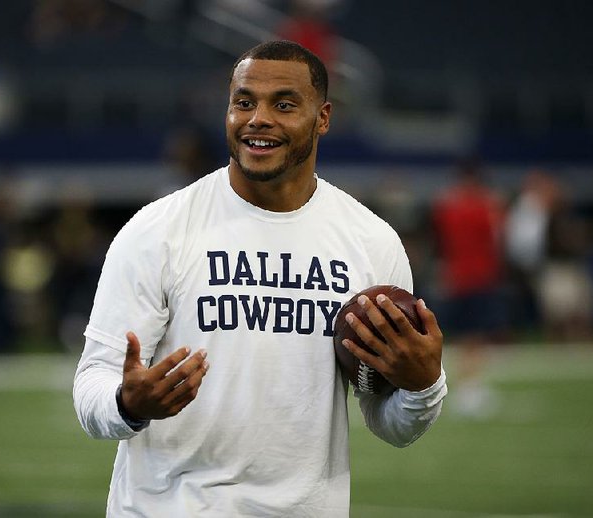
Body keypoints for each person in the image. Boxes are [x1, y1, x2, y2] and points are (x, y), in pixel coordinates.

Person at [73, 40, 447, 517]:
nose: (258, 119)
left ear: (324, 118)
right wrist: (128, 403)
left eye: (284, 105)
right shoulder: (157, 229)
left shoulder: (371, 242)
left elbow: (390, 424)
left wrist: (423, 386)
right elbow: (92, 385)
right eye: (243, 102)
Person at [432, 158, 504, 416]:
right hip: (479, 275)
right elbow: (496, 239)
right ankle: (469, 388)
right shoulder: (485, 205)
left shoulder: (447, 206)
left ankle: (463, 386)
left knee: (462, 334)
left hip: (455, 275)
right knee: (476, 335)